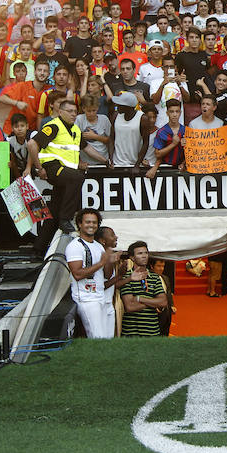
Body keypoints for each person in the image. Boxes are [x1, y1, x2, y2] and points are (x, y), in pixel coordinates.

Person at [24, 100, 108, 255]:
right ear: (60, 112)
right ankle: (66, 218)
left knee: (55, 208)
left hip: (65, 172)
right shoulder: (53, 126)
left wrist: (105, 161)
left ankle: (39, 247)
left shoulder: (75, 129)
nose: (73, 114)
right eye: (69, 111)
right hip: (53, 167)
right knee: (77, 178)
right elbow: (31, 144)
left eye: (75, 112)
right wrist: (39, 168)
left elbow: (87, 148)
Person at [64, 208, 116, 338]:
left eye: (94, 222)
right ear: (80, 224)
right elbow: (77, 274)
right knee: (98, 337)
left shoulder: (98, 246)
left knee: (107, 338)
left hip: (100, 296)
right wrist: (101, 263)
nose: (91, 225)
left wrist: (110, 261)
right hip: (86, 298)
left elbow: (106, 275)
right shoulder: (75, 246)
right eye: (87, 222)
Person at [120, 240, 171, 337]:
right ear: (132, 257)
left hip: (153, 332)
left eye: (146, 253)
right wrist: (154, 302)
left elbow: (164, 302)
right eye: (140, 253)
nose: (144, 256)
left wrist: (139, 299)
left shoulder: (155, 277)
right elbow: (130, 307)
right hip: (132, 334)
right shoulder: (126, 278)